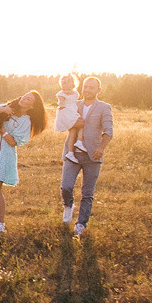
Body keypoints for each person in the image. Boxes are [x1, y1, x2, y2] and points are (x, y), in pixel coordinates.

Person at [0, 90, 47, 233]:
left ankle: (1, 224)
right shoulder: (9, 107)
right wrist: (3, 109)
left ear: (32, 106)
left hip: (6, 153)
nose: (24, 99)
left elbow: (13, 142)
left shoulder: (26, 121)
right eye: (25, 96)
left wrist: (0, 129)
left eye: (28, 99)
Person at [60, 76, 114, 236]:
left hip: (93, 156)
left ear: (98, 90)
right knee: (66, 186)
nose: (87, 89)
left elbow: (108, 132)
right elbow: (62, 123)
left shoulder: (104, 107)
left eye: (92, 87)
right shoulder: (74, 104)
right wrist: (72, 124)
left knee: (87, 193)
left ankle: (81, 224)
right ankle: (68, 205)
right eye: (85, 86)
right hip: (72, 153)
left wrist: (101, 148)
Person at [54, 74, 87, 162]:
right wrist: (63, 110)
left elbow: (76, 103)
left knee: (73, 131)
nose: (66, 90)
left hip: (74, 111)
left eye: (68, 87)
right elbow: (61, 104)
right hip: (66, 112)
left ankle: (71, 152)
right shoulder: (61, 94)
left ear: (73, 85)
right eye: (64, 86)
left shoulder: (75, 93)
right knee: (82, 124)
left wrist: (79, 112)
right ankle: (79, 142)